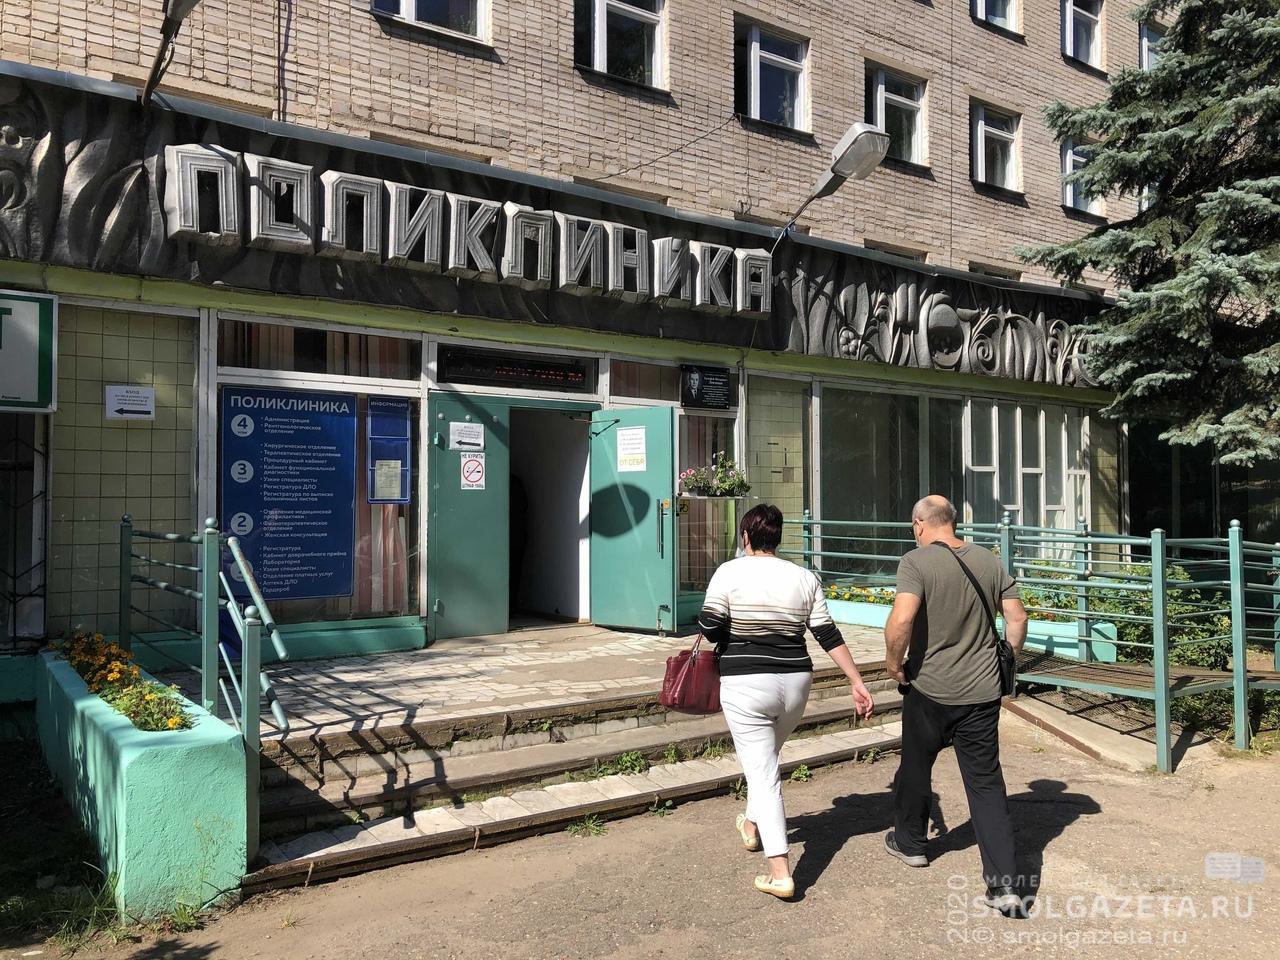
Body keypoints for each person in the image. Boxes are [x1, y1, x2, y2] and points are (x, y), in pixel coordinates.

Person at [698, 503, 875, 900]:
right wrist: (856, 681)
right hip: (796, 684)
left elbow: (710, 626)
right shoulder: (804, 577)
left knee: (763, 773)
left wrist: (733, 625)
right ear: (778, 537)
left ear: (746, 536)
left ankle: (780, 871)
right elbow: (827, 634)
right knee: (765, 761)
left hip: (746, 683)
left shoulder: (729, 572)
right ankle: (750, 826)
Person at [882, 495, 1029, 916]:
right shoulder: (988, 560)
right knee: (985, 784)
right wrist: (1008, 657)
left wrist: (894, 664)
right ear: (952, 521)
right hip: (981, 693)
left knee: (915, 768)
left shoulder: (916, 561)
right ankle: (1004, 885)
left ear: (919, 524)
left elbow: (902, 619)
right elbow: (1017, 618)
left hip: (929, 688)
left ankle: (911, 844)